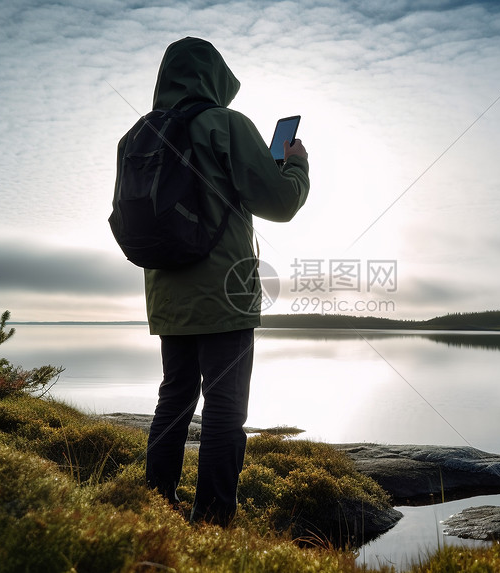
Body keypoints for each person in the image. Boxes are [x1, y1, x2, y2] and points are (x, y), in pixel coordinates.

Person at [141, 37, 310, 526]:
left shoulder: (139, 134)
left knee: (174, 396)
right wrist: (296, 164)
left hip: (166, 296)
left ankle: (155, 506)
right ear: (213, 77)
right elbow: (279, 202)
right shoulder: (225, 124)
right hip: (222, 294)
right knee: (224, 408)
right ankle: (213, 522)